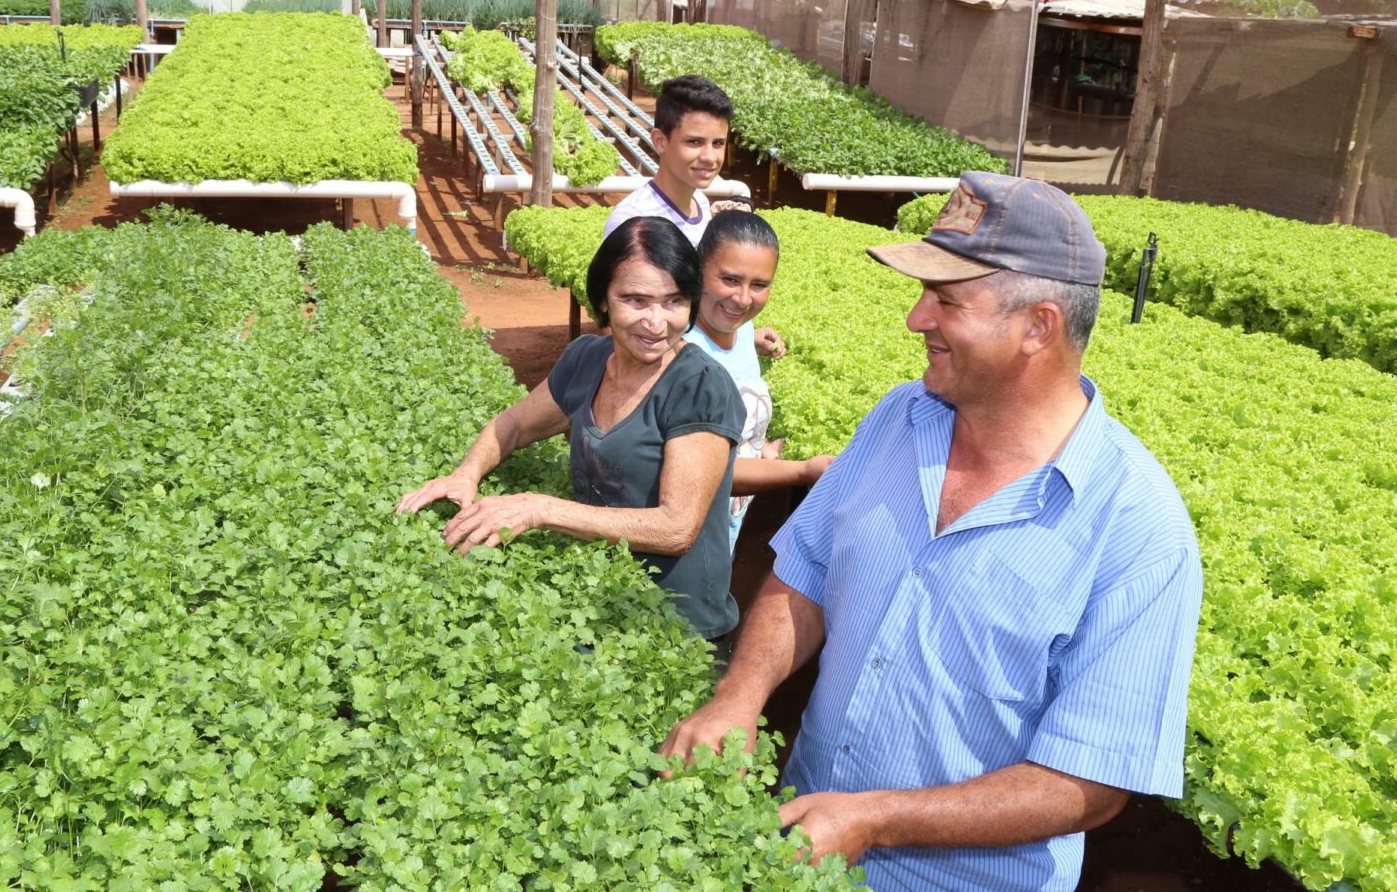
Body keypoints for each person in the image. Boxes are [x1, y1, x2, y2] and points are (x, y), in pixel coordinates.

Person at [659, 172, 1204, 891]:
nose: (916, 319)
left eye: (946, 300)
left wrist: (877, 819)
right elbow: (807, 571)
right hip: (803, 853)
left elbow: (1090, 780)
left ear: (1038, 326)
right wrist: (740, 694)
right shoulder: (897, 418)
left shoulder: (1139, 529)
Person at [398, 216, 746, 643]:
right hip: (602, 601)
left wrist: (537, 509)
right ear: (603, 300)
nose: (656, 322)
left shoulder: (700, 386)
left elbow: (676, 528)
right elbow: (515, 424)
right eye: (635, 300)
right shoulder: (587, 358)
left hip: (677, 627)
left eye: (673, 301)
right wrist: (466, 474)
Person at [684, 209, 833, 552]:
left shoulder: (742, 329)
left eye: (759, 285)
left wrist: (760, 447)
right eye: (730, 279)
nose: (743, 299)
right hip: (689, 544)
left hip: (724, 532)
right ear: (698, 270)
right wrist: (803, 471)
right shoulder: (684, 358)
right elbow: (711, 471)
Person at [603, 75, 732, 247]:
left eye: (718, 143)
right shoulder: (632, 221)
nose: (709, 157)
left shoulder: (700, 202)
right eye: (694, 142)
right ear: (660, 141)